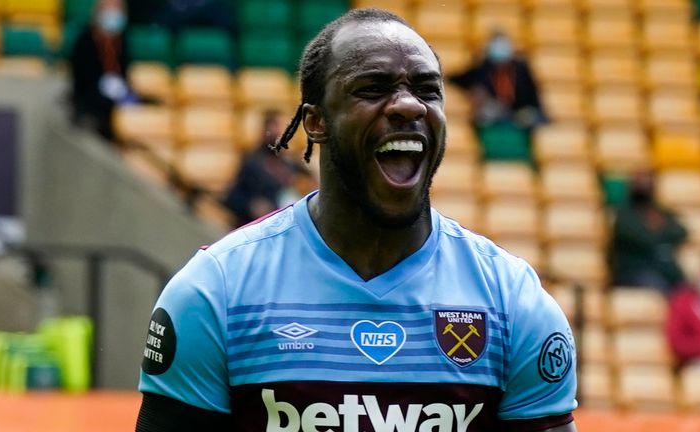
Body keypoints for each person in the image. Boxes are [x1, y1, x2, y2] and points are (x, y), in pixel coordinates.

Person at [135, 8, 578, 432]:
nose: (409, 105)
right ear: (315, 122)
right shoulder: (215, 293)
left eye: (427, 89)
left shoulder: (511, 302)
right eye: (372, 88)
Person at [608, 169, 688, 296]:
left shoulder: (659, 211)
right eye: (640, 182)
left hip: (665, 271)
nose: (644, 185)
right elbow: (642, 238)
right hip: (633, 272)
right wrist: (659, 231)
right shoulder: (624, 214)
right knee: (659, 288)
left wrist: (656, 230)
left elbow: (681, 231)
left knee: (687, 291)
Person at [449, 31, 547, 130]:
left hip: (520, 113)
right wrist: (474, 90)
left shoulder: (521, 69)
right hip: (495, 113)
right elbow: (456, 79)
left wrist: (525, 112)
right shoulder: (483, 68)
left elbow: (533, 98)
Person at [69, 0, 136, 141]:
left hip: (115, 103)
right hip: (90, 104)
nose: (114, 13)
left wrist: (124, 93)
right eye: (110, 8)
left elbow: (124, 74)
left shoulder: (122, 41)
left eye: (117, 8)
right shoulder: (85, 40)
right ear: (99, 11)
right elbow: (82, 81)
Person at [222, 111, 301, 227]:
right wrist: (252, 206)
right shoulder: (252, 162)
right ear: (264, 131)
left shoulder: (288, 164)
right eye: (274, 127)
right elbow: (232, 197)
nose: (278, 132)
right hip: (255, 225)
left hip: (282, 224)